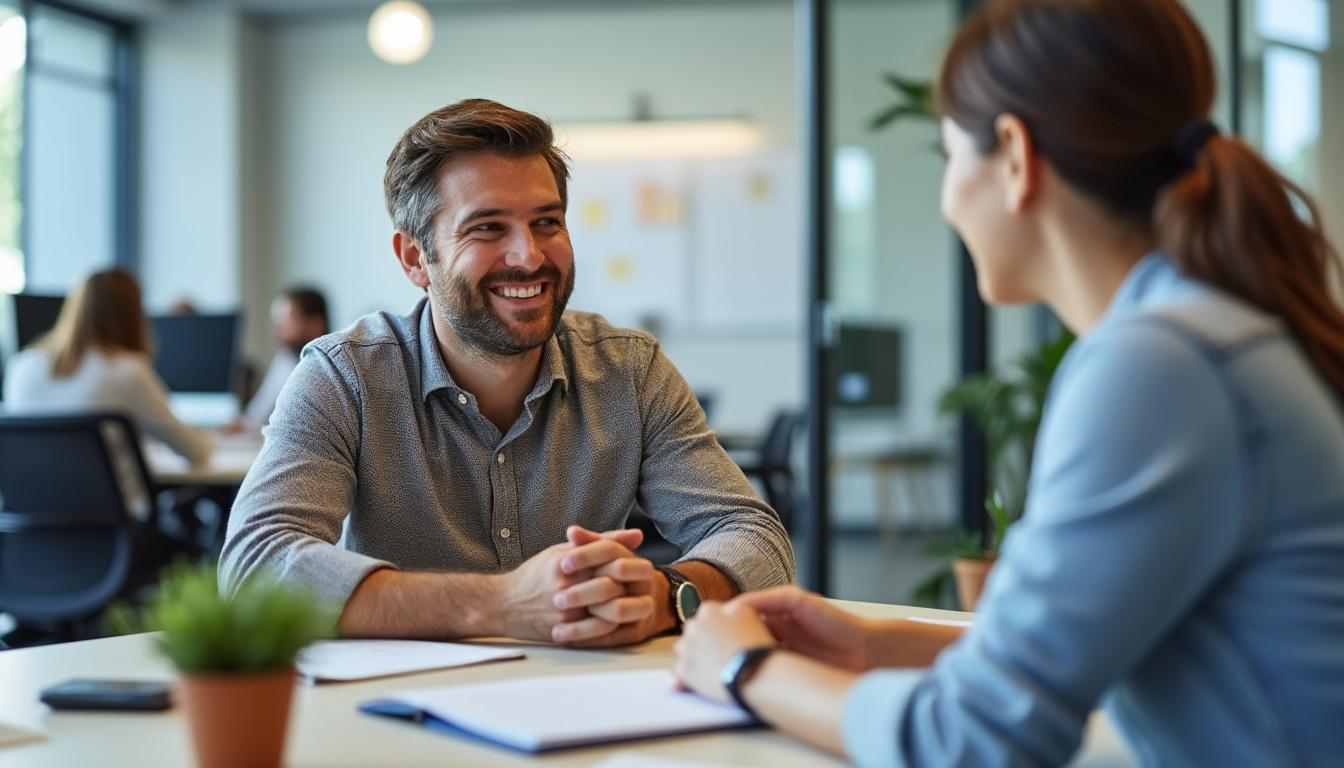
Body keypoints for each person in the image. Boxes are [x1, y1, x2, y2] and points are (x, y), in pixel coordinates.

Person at [672, 0, 1344, 765]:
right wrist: (874, 643)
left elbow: (978, 740)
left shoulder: (1160, 363)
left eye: (952, 154)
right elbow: (1060, 647)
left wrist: (742, 668)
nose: (948, 195)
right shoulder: (1196, 330)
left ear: (1017, 159)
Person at [220, 99, 794, 647]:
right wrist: (500, 604)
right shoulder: (345, 377)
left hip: (588, 708)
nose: (529, 256)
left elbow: (758, 540)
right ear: (415, 258)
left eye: (547, 222)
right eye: (488, 228)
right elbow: (255, 566)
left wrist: (666, 595)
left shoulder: (630, 371)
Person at [3, 269, 212, 467]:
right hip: (104, 504)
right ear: (133, 315)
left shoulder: (20, 366)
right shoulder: (128, 371)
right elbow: (194, 452)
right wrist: (210, 439)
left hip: (25, 505)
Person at [235, 286, 330, 432]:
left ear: (316, 324)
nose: (278, 329)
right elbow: (256, 417)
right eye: (277, 321)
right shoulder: (285, 359)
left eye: (287, 320)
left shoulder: (330, 370)